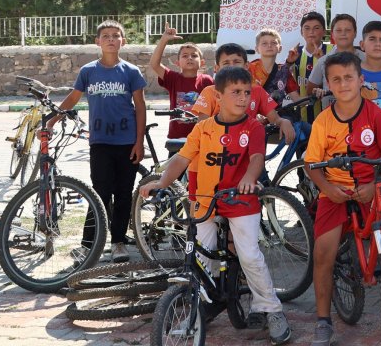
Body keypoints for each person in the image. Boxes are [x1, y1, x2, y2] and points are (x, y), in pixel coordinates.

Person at [138, 66, 291, 345]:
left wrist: (248, 178)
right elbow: (181, 160)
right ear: (217, 96)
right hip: (206, 200)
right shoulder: (203, 128)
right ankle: (201, 305)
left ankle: (271, 309)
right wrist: (161, 183)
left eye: (247, 92)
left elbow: (257, 158)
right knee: (199, 256)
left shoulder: (253, 126)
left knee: (249, 256)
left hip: (241, 200)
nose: (244, 98)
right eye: (236, 92)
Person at [304, 52, 381, 346]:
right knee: (323, 254)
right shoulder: (323, 121)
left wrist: (378, 182)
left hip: (371, 188)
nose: (343, 83)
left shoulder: (375, 114)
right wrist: (328, 188)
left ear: (361, 80)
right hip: (334, 190)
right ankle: (323, 321)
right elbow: (311, 164)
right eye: (336, 79)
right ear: (329, 84)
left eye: (349, 77)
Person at [56, 20, 147, 264]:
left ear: (122, 41)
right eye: (105, 36)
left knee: (124, 194)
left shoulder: (131, 72)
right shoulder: (88, 71)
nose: (110, 39)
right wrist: (53, 118)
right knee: (100, 193)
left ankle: (118, 242)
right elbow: (73, 98)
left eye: (115, 36)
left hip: (127, 142)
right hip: (100, 143)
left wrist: (139, 143)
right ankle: (88, 245)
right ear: (97, 41)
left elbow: (140, 106)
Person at [190, 43, 293, 143]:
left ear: (246, 65)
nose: (232, 67)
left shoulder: (257, 91)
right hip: (216, 150)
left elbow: (275, 119)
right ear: (217, 68)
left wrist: (283, 122)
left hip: (248, 149)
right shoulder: (209, 92)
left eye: (236, 62)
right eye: (226, 63)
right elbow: (201, 127)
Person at [147, 22, 212, 146]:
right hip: (177, 139)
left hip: (202, 139)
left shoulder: (207, 81)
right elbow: (154, 64)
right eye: (185, 56)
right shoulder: (173, 78)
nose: (189, 58)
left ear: (202, 62)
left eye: (194, 55)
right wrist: (164, 40)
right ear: (177, 62)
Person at [289, 11, 331, 124]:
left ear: (324, 32)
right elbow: (282, 80)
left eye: (316, 28)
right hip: (302, 116)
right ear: (301, 31)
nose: (311, 32)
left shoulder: (332, 51)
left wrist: (323, 60)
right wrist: (288, 63)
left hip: (328, 114)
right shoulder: (295, 53)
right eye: (307, 28)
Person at [248, 28, 300, 100]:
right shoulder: (249, 69)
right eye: (264, 43)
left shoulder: (284, 71)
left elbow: (297, 99)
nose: (269, 45)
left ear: (280, 48)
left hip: (276, 111)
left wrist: (316, 94)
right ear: (257, 49)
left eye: (274, 43)